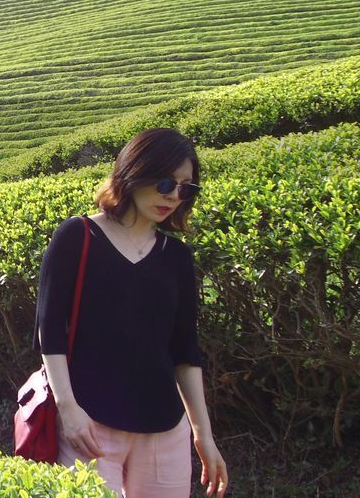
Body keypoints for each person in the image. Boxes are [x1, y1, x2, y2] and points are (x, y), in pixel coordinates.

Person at [33, 128, 228, 498]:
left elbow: (185, 351)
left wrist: (202, 434)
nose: (173, 196)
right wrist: (68, 409)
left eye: (186, 188)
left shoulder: (177, 258)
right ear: (134, 171)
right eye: (166, 182)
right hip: (89, 423)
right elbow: (50, 329)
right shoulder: (78, 236)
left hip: (164, 429)